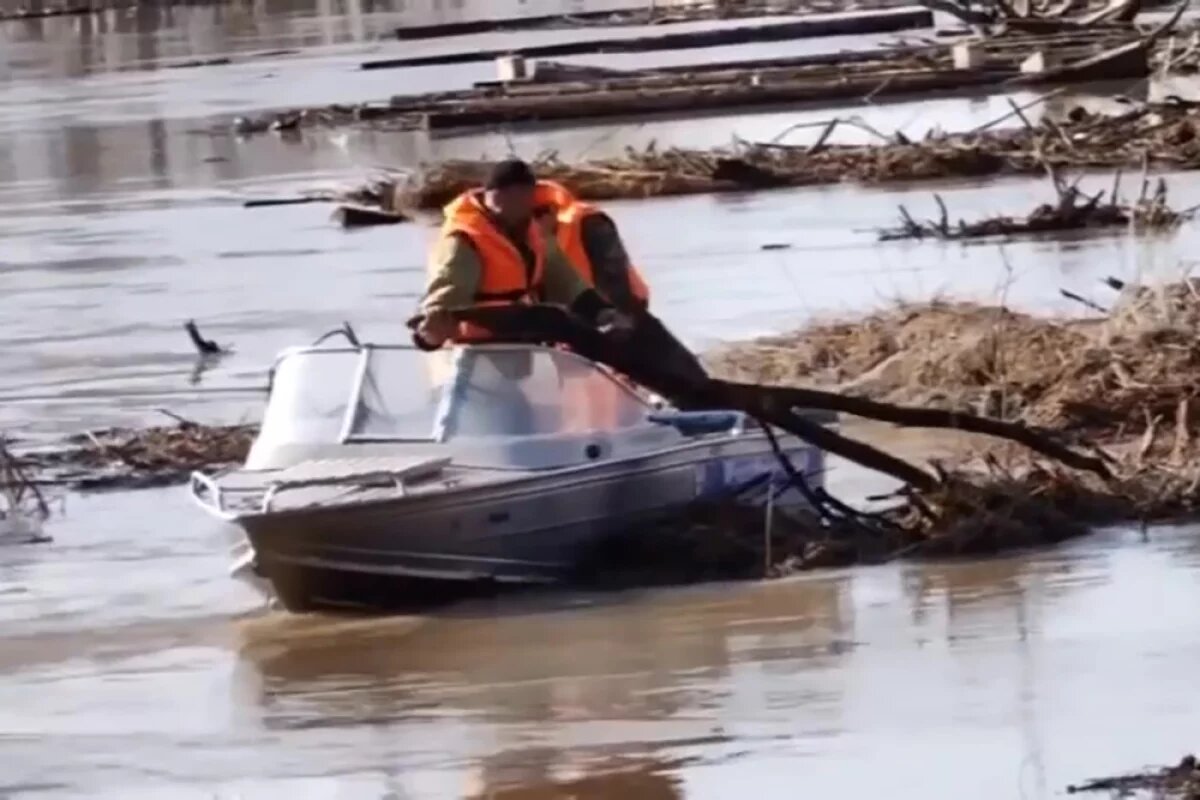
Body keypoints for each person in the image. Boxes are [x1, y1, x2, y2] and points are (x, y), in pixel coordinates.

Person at [413, 159, 631, 349]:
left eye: (522, 197)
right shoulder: (463, 239)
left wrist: (602, 312)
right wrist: (429, 335)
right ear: (489, 195)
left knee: (563, 322)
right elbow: (445, 295)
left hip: (525, 339)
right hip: (476, 349)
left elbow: (566, 283)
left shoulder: (535, 233)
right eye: (507, 198)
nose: (514, 207)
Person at [533, 180, 651, 315]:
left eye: (536, 215)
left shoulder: (592, 223)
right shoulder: (535, 238)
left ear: (552, 210)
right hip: (579, 310)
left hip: (622, 306)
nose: (532, 224)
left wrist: (621, 315)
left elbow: (614, 275)